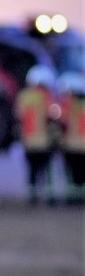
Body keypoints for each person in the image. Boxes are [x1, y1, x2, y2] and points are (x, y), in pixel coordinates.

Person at [14, 65, 60, 205]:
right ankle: (50, 199)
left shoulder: (23, 96)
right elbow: (54, 117)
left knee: (32, 172)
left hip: (28, 141)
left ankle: (32, 199)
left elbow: (18, 117)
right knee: (46, 171)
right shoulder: (48, 97)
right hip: (45, 141)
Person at [57, 71, 85, 205]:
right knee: (81, 176)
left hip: (70, 145)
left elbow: (60, 122)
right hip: (81, 145)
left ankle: (73, 199)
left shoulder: (66, 105)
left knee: (72, 175)